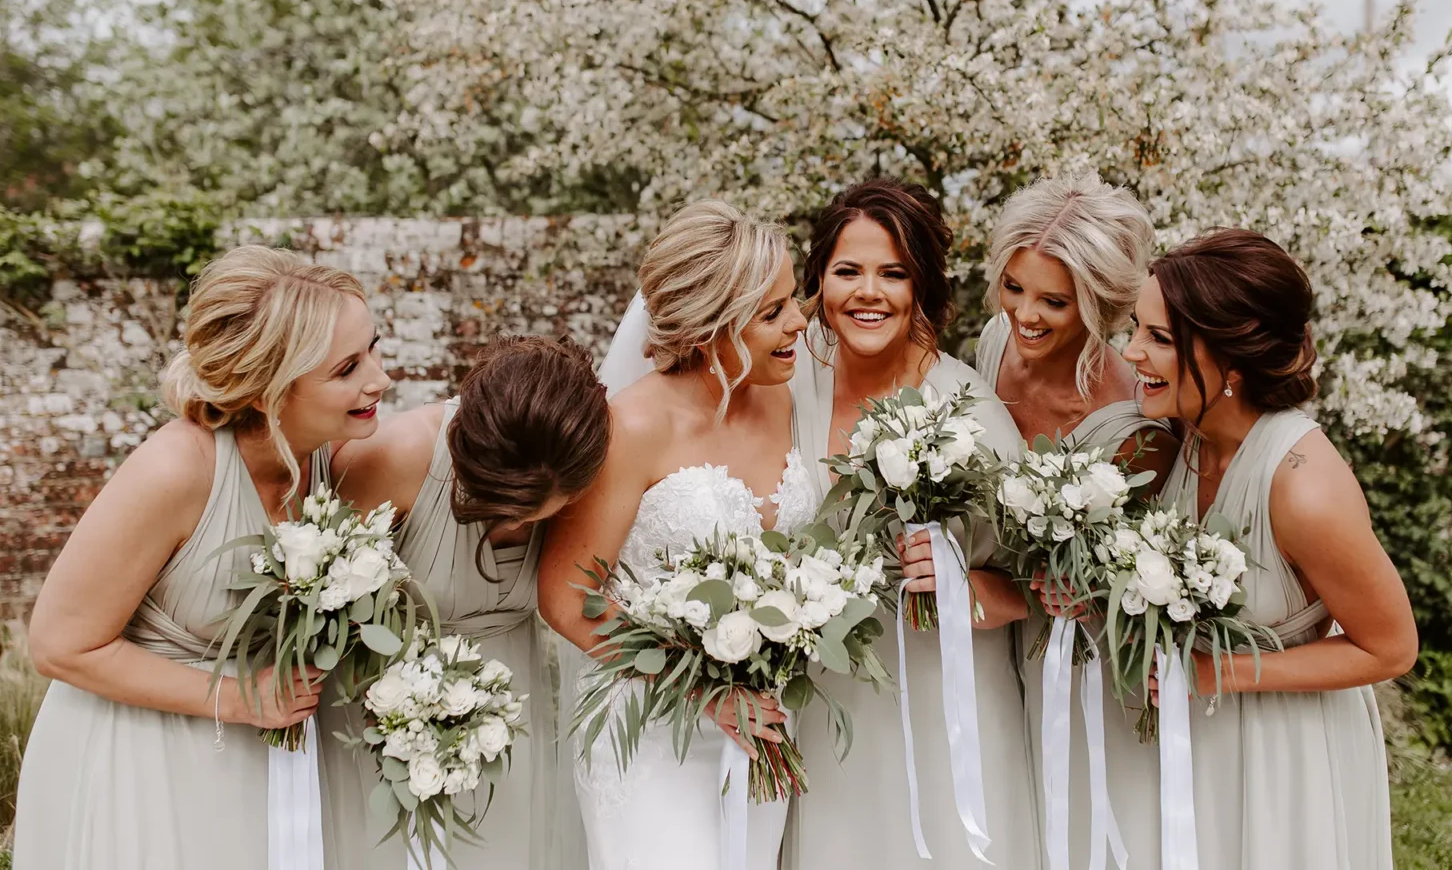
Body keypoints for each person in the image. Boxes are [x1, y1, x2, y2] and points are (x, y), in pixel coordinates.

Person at [14, 245, 389, 870]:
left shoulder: (327, 459)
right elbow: (58, 644)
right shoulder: (176, 471)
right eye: (347, 367)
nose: (378, 378)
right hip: (139, 758)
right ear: (270, 387)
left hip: (255, 762)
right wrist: (242, 701)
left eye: (375, 347)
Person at [1127, 228, 1415, 869]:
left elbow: (1391, 646)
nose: (1132, 353)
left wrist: (1218, 673)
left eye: (1158, 339)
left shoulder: (1303, 486)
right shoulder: (1184, 436)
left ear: (1229, 363)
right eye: (1137, 329)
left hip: (1284, 752)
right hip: (1191, 735)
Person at [540, 200, 814, 870]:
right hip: (650, 730)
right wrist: (705, 689)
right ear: (708, 327)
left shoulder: (788, 394)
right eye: (771, 313)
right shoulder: (629, 428)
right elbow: (566, 599)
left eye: (793, 300)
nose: (799, 323)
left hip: (762, 722)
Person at [785, 178, 1040, 870]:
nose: (869, 292)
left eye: (893, 274)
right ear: (817, 281)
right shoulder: (784, 382)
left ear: (921, 287)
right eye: (848, 272)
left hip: (936, 698)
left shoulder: (968, 410)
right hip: (814, 700)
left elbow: (1042, 582)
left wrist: (974, 590)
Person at [317, 334, 611, 870]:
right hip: (385, 709)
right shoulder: (394, 458)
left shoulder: (577, 459)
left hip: (509, 705)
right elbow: (324, 601)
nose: (520, 528)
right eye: (500, 505)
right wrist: (405, 712)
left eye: (540, 515)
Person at [971, 173, 1177, 864]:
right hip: (990, 640)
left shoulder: (1134, 416)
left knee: (1092, 822)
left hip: (1083, 659)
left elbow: (1140, 572)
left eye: (1053, 301)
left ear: (1101, 305)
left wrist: (1045, 592)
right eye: (1013, 287)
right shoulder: (993, 344)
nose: (1024, 314)